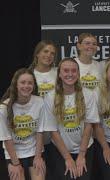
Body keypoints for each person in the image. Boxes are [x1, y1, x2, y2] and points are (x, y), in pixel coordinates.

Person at [41, 58, 99, 180]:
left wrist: (82, 155)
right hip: (60, 149)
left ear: (78, 74)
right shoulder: (50, 97)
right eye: (66, 71)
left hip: (85, 147)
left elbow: (89, 126)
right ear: (59, 74)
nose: (70, 74)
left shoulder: (88, 94)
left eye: (74, 71)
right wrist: (67, 158)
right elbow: (53, 131)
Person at [0, 68, 45, 180]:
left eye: (30, 83)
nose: (26, 86)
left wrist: (38, 157)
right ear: (16, 84)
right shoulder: (3, 108)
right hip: (14, 153)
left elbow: (40, 132)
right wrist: (15, 164)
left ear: (34, 85)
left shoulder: (40, 102)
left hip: (34, 151)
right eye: (23, 82)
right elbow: (7, 138)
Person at [28, 40, 58, 180]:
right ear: (37, 54)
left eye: (52, 53)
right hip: (36, 133)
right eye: (45, 51)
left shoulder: (59, 73)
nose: (49, 55)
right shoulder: (29, 75)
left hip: (57, 131)